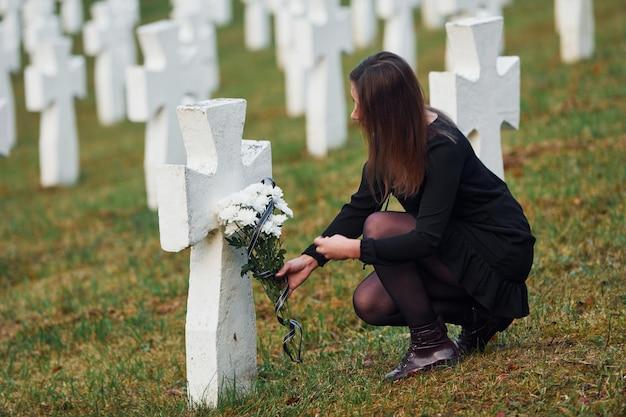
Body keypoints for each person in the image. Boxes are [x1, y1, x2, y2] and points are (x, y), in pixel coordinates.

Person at [275, 52, 535, 381]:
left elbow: (427, 239)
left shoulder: (442, 147)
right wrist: (311, 258)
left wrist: (357, 250)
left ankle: (431, 345)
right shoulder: (396, 140)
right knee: (370, 302)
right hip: (455, 249)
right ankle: (480, 317)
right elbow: (360, 206)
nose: (354, 115)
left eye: (359, 105)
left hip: (498, 250)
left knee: (379, 227)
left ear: (387, 109)